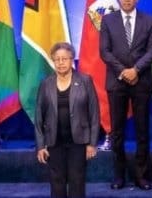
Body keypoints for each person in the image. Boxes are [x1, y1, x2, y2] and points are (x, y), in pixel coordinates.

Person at [98, 0, 152, 190]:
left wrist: (136, 70)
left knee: (142, 131)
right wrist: (124, 71)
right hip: (117, 82)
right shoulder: (108, 20)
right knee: (117, 132)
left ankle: (142, 176)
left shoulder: (149, 20)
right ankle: (118, 175)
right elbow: (104, 51)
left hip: (141, 82)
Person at [34, 42, 100, 198]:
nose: (60, 63)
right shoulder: (46, 84)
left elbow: (94, 114)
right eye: (57, 59)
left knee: (77, 182)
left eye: (64, 59)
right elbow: (38, 117)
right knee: (57, 184)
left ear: (72, 60)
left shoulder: (85, 81)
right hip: (54, 142)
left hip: (79, 142)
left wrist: (92, 143)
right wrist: (40, 146)